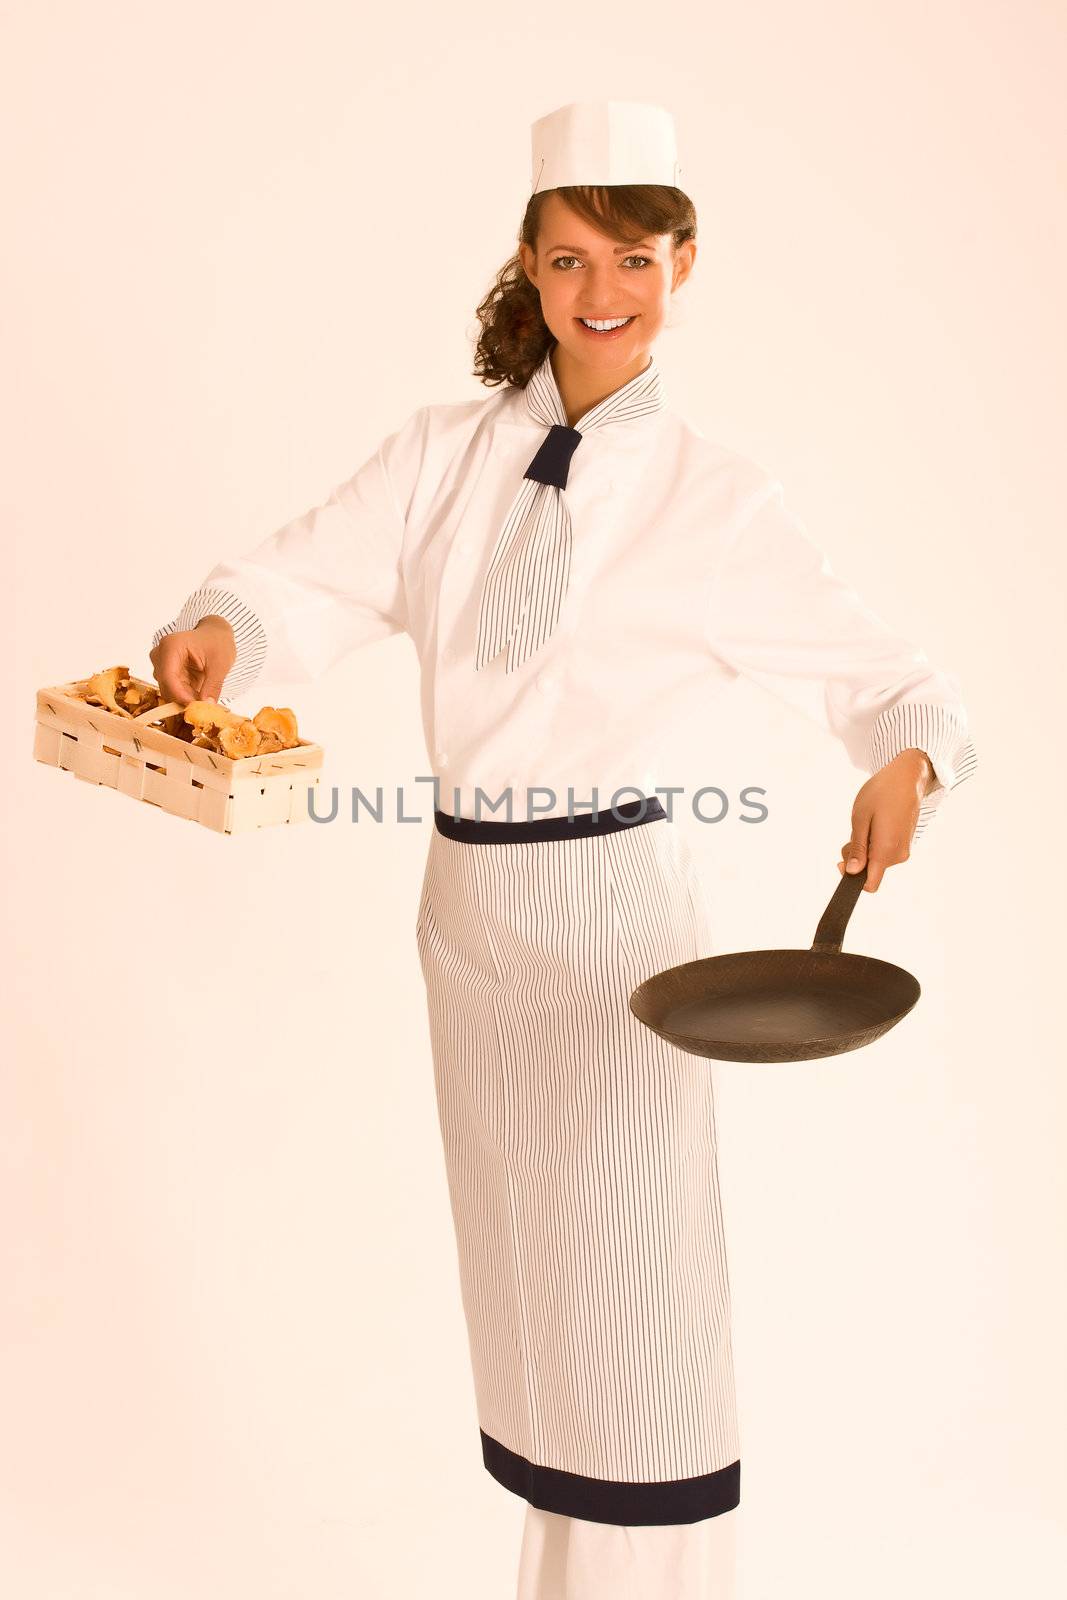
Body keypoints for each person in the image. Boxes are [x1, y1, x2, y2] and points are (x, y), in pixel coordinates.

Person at [150, 100, 977, 1599]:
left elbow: (890, 680)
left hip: (617, 930)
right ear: (528, 267)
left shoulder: (717, 501)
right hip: (468, 916)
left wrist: (908, 759)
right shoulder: (440, 456)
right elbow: (298, 579)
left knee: (632, 1305)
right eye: (575, 256)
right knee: (533, 1306)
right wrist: (226, 634)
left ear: (685, 265)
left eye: (639, 258)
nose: (607, 291)